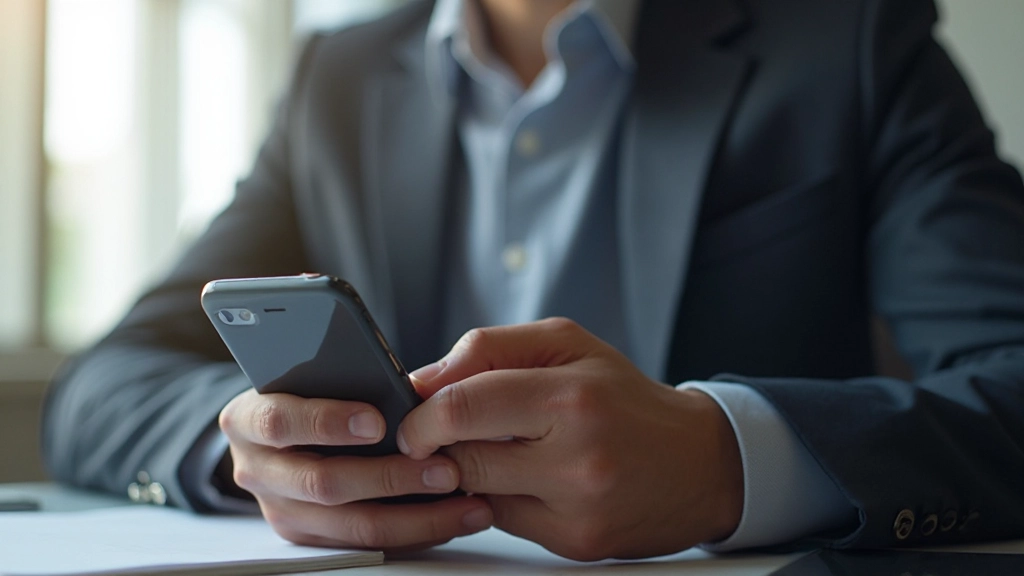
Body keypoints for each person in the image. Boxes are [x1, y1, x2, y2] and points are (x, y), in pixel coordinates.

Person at [42, 0, 1024, 562]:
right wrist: (255, 454)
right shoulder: (336, 80)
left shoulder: (849, 45)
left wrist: (728, 459)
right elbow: (102, 385)